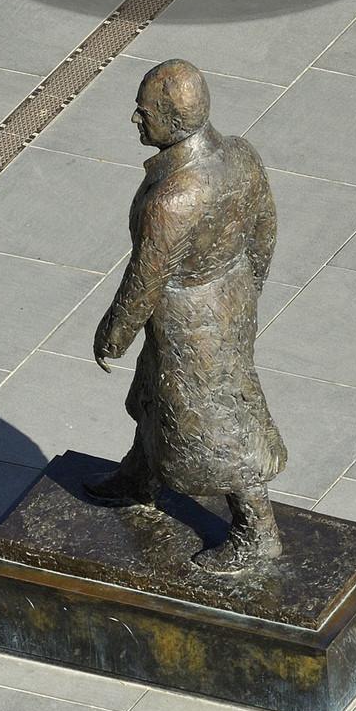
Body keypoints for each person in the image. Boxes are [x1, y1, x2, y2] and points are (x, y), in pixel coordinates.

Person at [88, 58, 287, 572]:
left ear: (174, 122)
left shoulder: (173, 199)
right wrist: (249, 288)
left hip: (191, 318)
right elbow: (265, 229)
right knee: (157, 392)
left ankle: (257, 529)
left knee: (215, 418)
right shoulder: (240, 154)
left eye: (144, 111)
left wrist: (113, 334)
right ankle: (140, 473)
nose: (135, 118)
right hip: (232, 294)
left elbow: (146, 277)